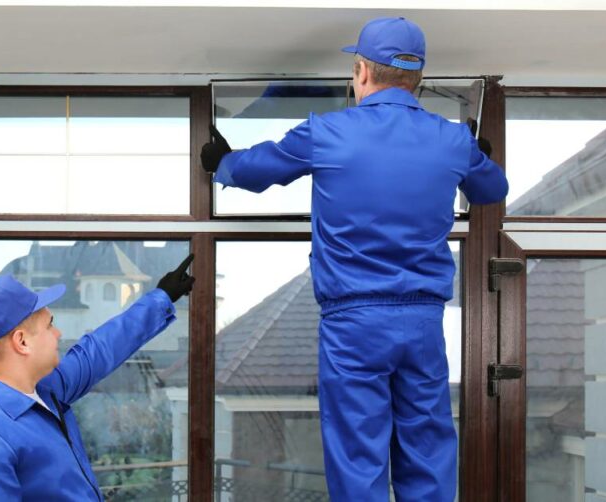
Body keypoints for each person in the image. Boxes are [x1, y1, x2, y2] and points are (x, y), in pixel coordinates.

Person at [201, 17, 508, 502]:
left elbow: (257, 171)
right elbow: (492, 188)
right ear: (418, 80)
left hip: (354, 324)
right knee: (427, 451)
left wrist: (222, 162)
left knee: (357, 456)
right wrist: (475, 151)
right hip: (423, 323)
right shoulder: (451, 140)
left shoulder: (328, 132)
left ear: (362, 72)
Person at [0, 254, 195, 501]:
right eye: (49, 325)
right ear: (22, 341)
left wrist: (162, 297)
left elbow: (99, 350)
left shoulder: (44, 390)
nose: (57, 333)